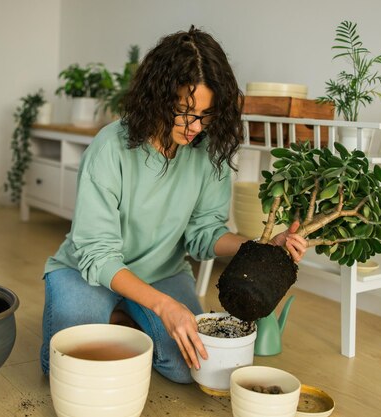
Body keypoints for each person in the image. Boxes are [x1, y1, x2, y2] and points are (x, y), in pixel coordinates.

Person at [40, 26, 307, 383]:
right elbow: (98, 254)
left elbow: (204, 233)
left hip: (161, 272)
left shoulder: (207, 151)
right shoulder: (109, 148)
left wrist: (257, 248)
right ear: (157, 96)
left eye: (206, 114)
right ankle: (124, 312)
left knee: (192, 367)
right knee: (71, 367)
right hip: (88, 273)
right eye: (184, 111)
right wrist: (164, 306)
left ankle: (127, 317)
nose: (196, 126)